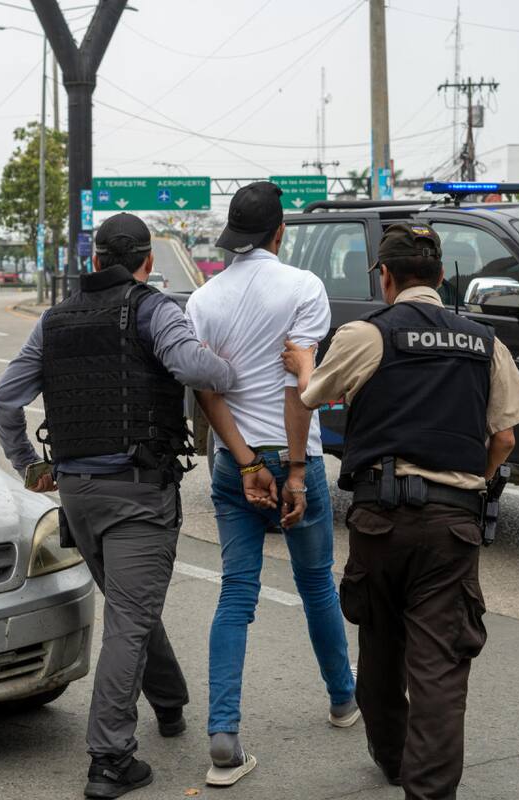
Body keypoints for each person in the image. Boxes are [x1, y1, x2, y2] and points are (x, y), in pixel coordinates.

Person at [281, 222, 519, 800]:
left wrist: (303, 362)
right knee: (441, 667)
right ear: (443, 277)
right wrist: (470, 487)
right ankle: (429, 791)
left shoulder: (366, 334)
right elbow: (505, 441)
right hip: (453, 526)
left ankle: (392, 759)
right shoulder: (483, 341)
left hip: (380, 522)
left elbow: (313, 395)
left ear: (387, 278)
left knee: (380, 648)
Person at [0, 213, 236, 800]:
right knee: (128, 620)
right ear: (146, 261)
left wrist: (31, 465)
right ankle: (109, 759)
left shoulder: (54, 320)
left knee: (132, 606)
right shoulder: (152, 309)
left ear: (97, 258)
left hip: (78, 495)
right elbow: (196, 369)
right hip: (136, 496)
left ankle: (170, 704)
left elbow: (4, 399)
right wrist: (228, 368)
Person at [186, 181, 357, 788]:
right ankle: (343, 700)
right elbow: (298, 388)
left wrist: (246, 461)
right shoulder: (304, 289)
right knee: (316, 585)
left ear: (234, 236)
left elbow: (205, 392)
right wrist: (289, 470)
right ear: (279, 232)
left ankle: (223, 739)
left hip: (234, 464)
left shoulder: (202, 301)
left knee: (236, 595)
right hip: (293, 461)